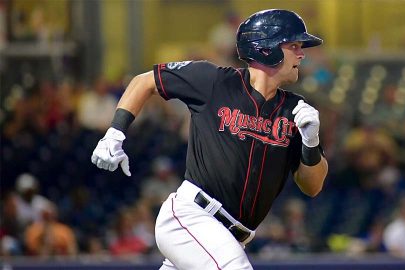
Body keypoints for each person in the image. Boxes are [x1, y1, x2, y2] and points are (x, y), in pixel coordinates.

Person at [91, 9, 328, 269]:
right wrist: (115, 132)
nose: (302, 53)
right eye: (293, 45)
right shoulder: (214, 81)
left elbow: (312, 186)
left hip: (228, 238)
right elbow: (145, 82)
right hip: (193, 217)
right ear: (266, 48)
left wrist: (311, 143)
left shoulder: (294, 110)